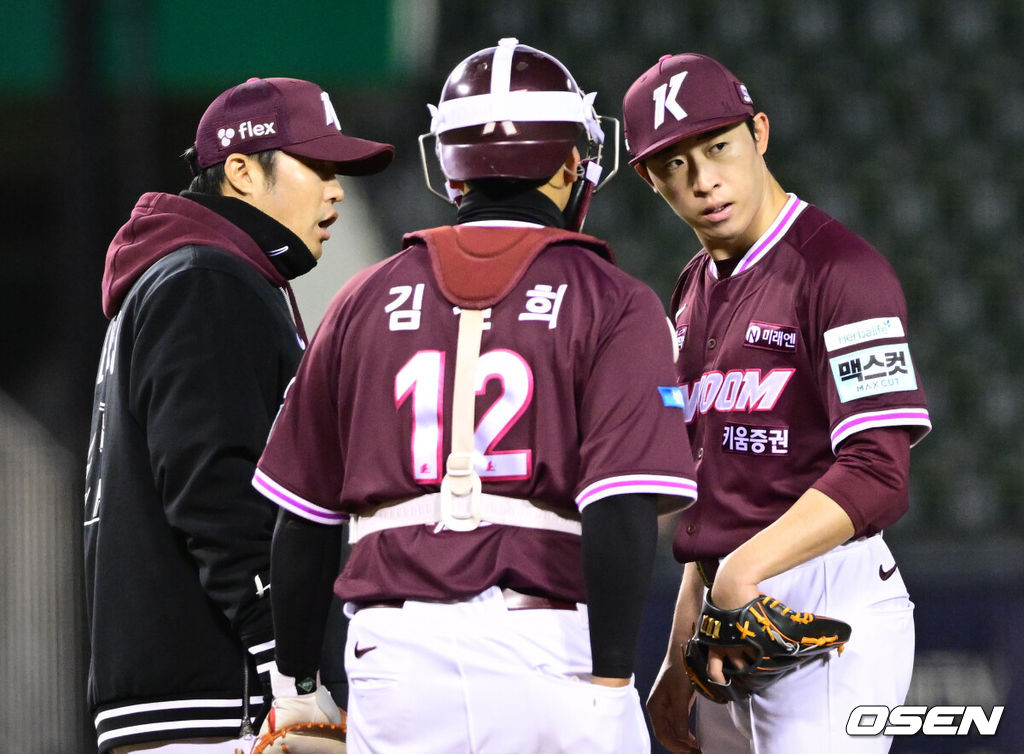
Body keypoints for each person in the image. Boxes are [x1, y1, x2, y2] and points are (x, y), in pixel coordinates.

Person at [250, 38, 698, 754]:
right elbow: (620, 508)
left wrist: (296, 685)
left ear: (452, 170)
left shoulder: (362, 299)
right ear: (564, 163)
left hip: (390, 656)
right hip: (540, 643)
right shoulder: (614, 301)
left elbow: (301, 520)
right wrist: (613, 687)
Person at [621, 53, 932, 753]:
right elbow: (713, 487)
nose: (703, 180)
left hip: (828, 608)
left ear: (759, 132)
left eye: (718, 146)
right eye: (674, 163)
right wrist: (681, 649)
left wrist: (741, 573)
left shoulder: (842, 270)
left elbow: (880, 473)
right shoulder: (693, 285)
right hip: (728, 616)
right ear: (647, 178)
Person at [82, 76, 393, 753]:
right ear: (245, 171)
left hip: (186, 696)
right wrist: (290, 668)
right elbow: (216, 488)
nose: (336, 188)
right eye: (318, 165)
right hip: (217, 704)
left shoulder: (186, 274)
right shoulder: (206, 279)